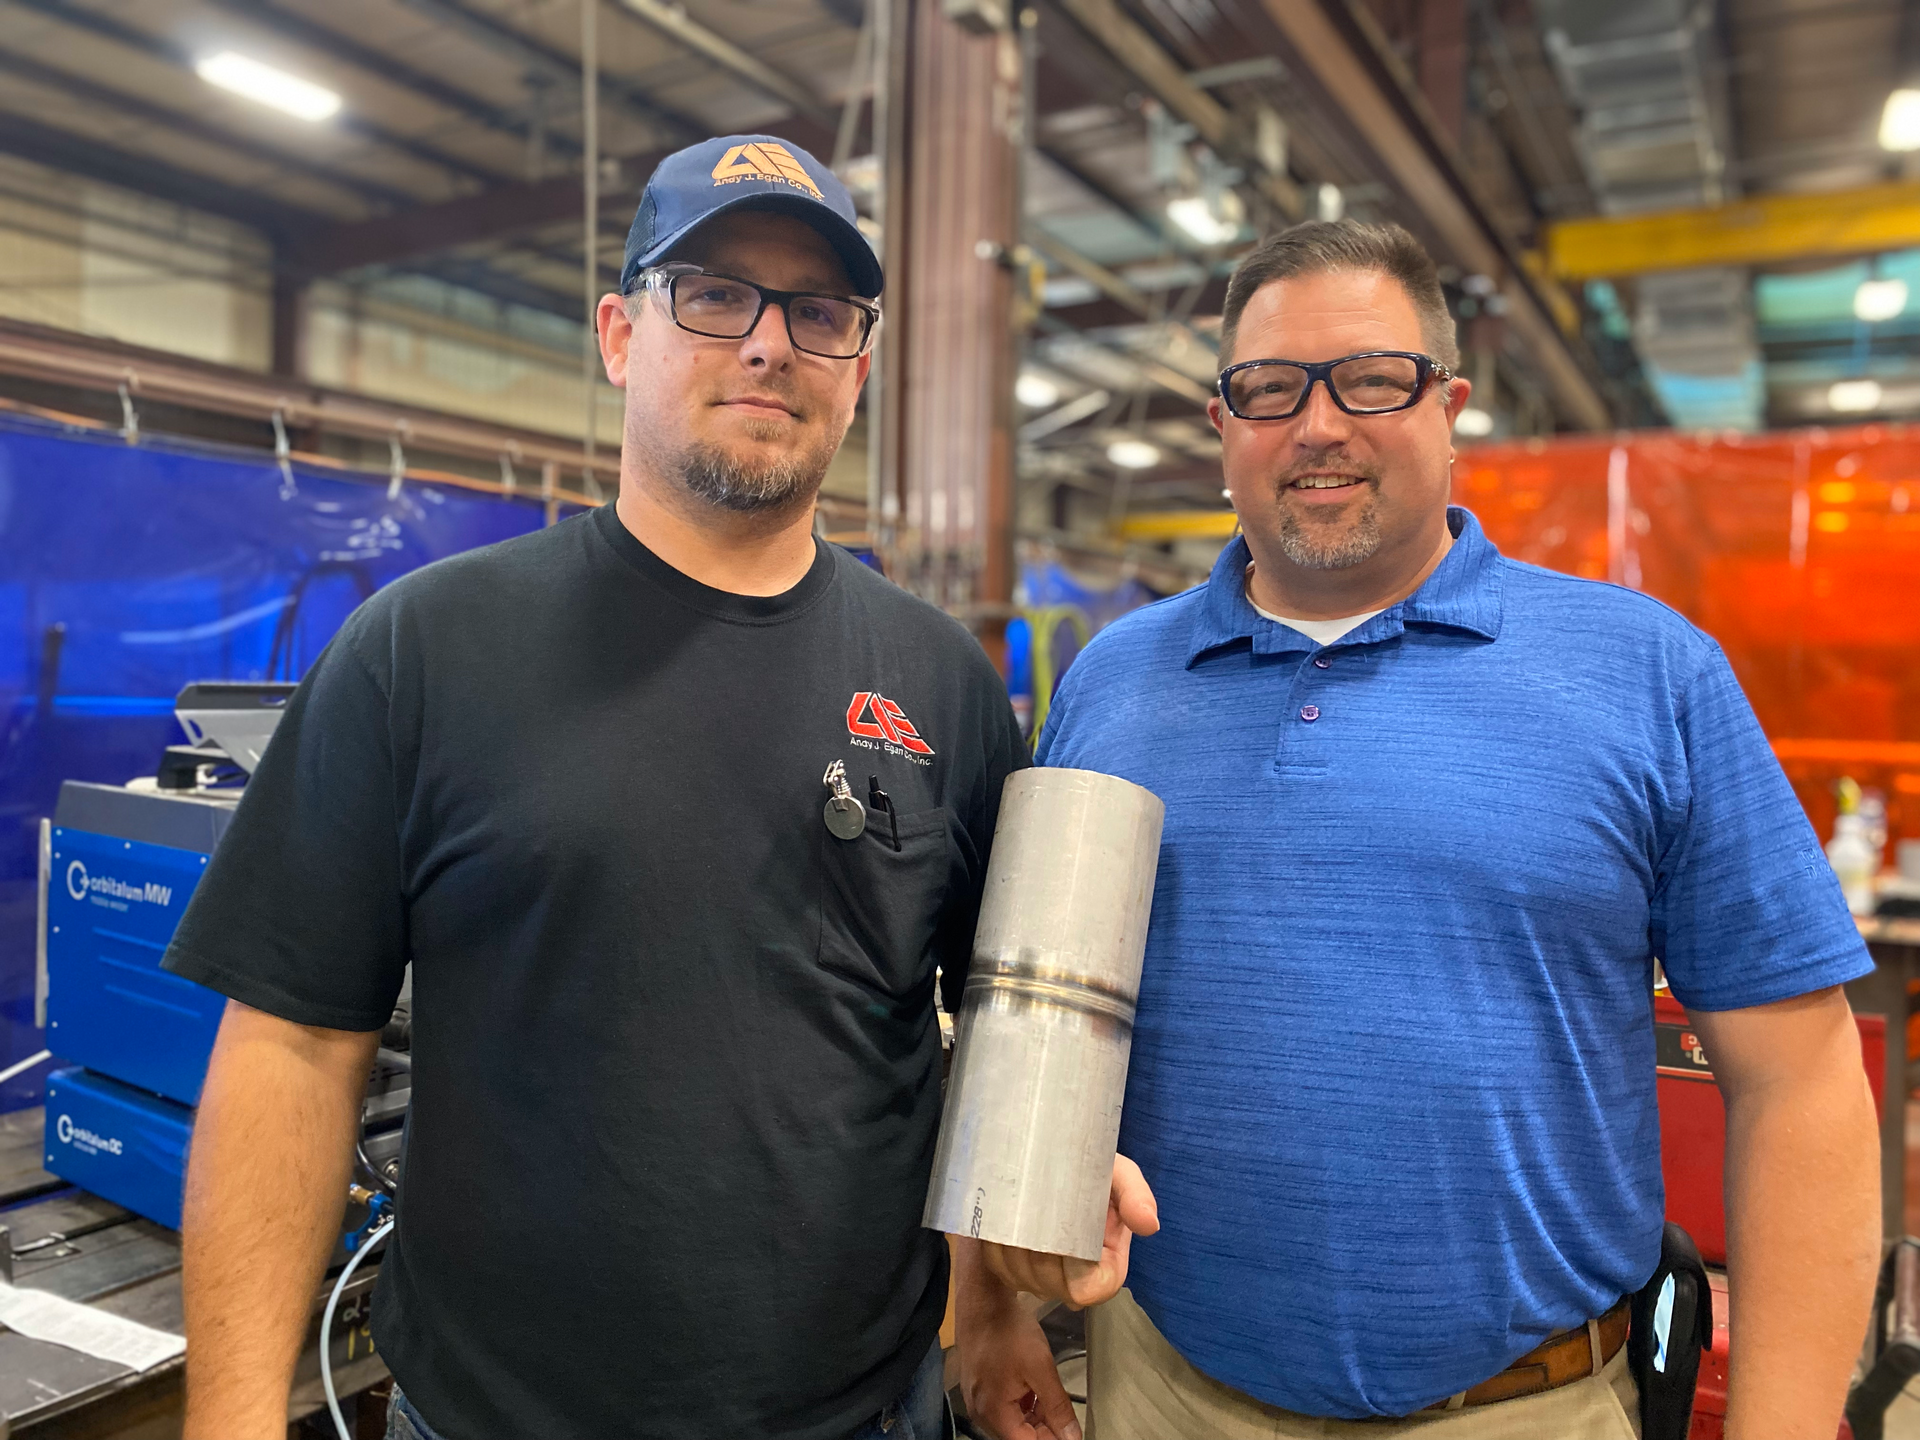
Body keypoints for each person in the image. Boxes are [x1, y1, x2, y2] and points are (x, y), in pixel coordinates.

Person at [165, 134, 1047, 1440]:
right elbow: (294, 1047)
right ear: (621, 333)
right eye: (715, 294)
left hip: (866, 1416)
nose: (768, 345)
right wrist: (230, 1416)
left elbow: (991, 1041)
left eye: (819, 312)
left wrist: (991, 1306)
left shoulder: (945, 684)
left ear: (858, 364)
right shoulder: (423, 652)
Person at [960, 219, 1881, 1439]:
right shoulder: (1113, 683)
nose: (1319, 424)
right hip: (1161, 1393)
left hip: (1524, 1410)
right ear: (1222, 424)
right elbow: (1026, 1017)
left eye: (1372, 380)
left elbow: (1804, 1084)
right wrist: (984, 1303)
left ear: (1450, 406)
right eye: (1270, 389)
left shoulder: (1646, 674)